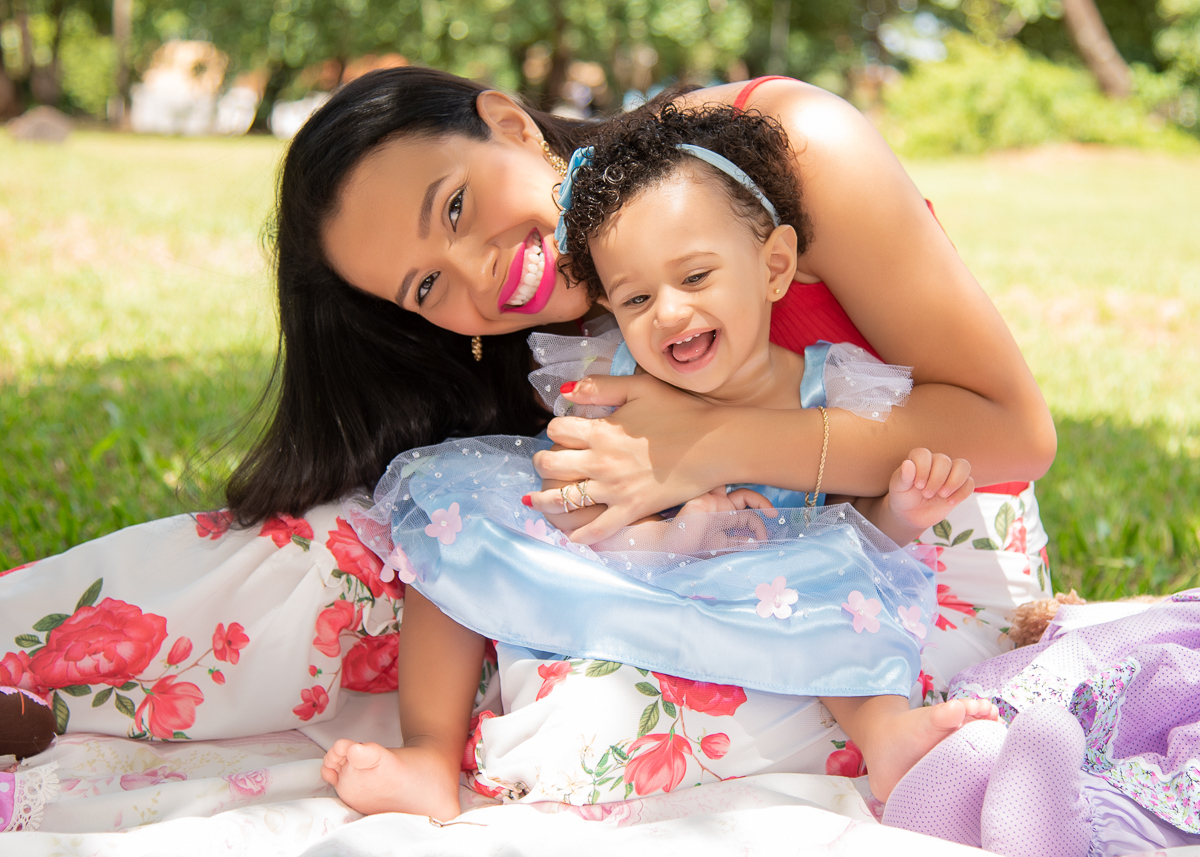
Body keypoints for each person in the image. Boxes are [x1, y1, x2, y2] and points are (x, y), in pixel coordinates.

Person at [0, 67, 1053, 808]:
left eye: (456, 205)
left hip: (901, 545)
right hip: (689, 556)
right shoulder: (557, 331)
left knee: (577, 718)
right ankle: (28, 663)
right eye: (426, 286)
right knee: (359, 547)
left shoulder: (780, 154)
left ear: (510, 125)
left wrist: (713, 442)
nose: (478, 276)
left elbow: (1013, 431)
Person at [322, 103, 1001, 817]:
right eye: (638, 297)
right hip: (649, 561)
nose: (670, 313)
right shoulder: (611, 373)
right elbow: (575, 502)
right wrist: (674, 536)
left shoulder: (828, 385)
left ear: (775, 266)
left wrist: (901, 507)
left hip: (778, 574)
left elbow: (861, 530)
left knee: (836, 586)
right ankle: (428, 753)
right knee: (451, 516)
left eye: (697, 278)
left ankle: (886, 733)